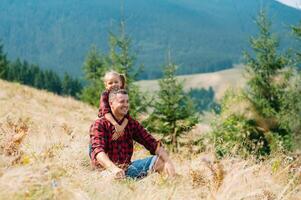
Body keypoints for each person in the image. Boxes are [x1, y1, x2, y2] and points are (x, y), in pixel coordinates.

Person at [89, 89, 176, 179]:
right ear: (111, 104)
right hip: (107, 171)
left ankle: (172, 186)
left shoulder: (131, 123)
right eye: (122, 102)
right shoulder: (100, 124)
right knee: (113, 178)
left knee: (161, 160)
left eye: (127, 101)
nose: (126, 105)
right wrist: (114, 169)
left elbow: (152, 143)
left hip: (128, 169)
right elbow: (98, 151)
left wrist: (168, 162)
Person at [98, 71, 128, 140]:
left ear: (120, 83)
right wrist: (116, 125)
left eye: (116, 82)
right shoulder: (105, 95)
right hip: (106, 120)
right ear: (106, 85)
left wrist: (121, 128)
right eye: (110, 83)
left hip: (119, 122)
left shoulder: (122, 95)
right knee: (98, 134)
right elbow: (106, 112)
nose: (113, 84)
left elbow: (127, 115)